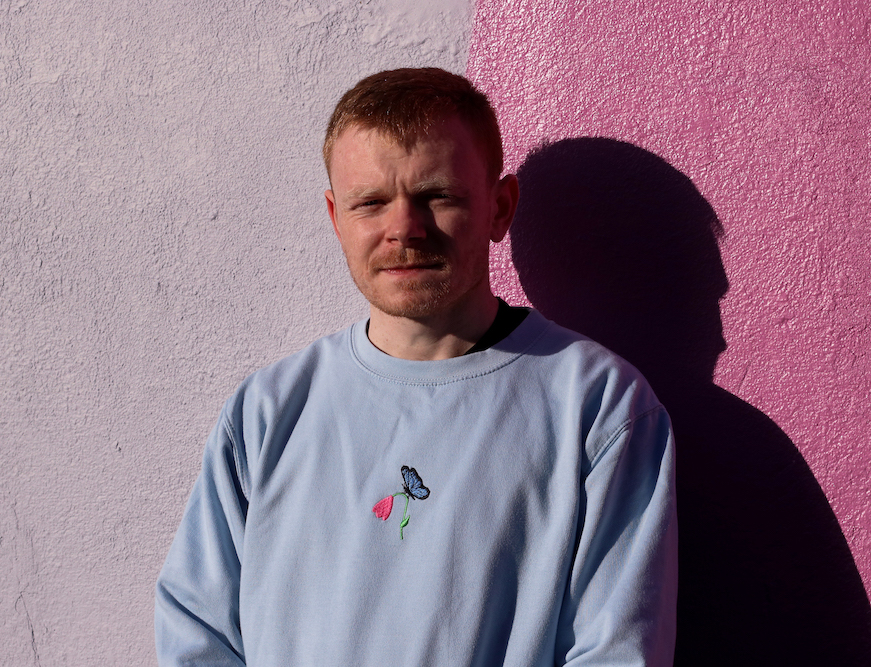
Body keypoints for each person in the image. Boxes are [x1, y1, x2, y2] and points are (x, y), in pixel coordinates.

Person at [154, 67, 677, 666]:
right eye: (371, 202)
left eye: (438, 196)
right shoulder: (268, 410)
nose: (404, 229)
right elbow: (197, 634)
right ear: (335, 218)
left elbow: (618, 653)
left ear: (499, 207)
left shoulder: (598, 406)